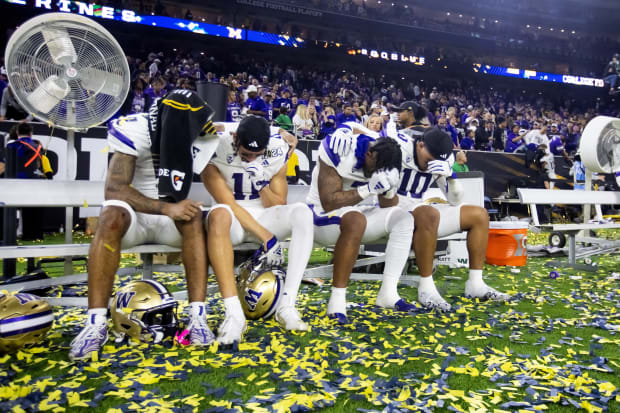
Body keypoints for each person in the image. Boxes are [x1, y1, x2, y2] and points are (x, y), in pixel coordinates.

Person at [70, 90, 219, 360]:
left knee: (194, 215)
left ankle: (198, 316)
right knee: (111, 213)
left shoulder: (199, 127)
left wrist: (286, 137)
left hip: (169, 221)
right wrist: (166, 207)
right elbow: (114, 190)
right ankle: (95, 323)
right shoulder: (136, 128)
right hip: (134, 218)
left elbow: (231, 129)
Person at [203, 115, 313, 344]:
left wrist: (261, 183)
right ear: (235, 139)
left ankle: (287, 305)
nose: (251, 158)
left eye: (257, 154)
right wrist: (267, 237)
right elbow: (227, 202)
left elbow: (278, 204)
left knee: (302, 212)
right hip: (232, 219)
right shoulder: (216, 144)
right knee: (219, 214)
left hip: (263, 214)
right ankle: (234, 314)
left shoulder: (277, 148)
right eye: (245, 154)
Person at [392, 128, 510, 310]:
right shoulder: (399, 147)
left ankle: (475, 284)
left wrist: (450, 177)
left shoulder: (442, 158)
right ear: (420, 145)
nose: (431, 163)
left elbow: (454, 200)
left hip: (417, 206)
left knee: (479, 215)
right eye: (430, 158)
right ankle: (426, 287)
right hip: (391, 209)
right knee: (427, 213)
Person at [306, 128, 416, 323]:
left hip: (358, 212)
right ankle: (337, 300)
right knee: (356, 219)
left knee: (403, 218)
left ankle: (388, 293)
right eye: (376, 167)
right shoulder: (341, 150)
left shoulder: (388, 156)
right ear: (369, 154)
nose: (375, 172)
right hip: (320, 215)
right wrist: (368, 189)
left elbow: (386, 205)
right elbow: (328, 202)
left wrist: (389, 190)